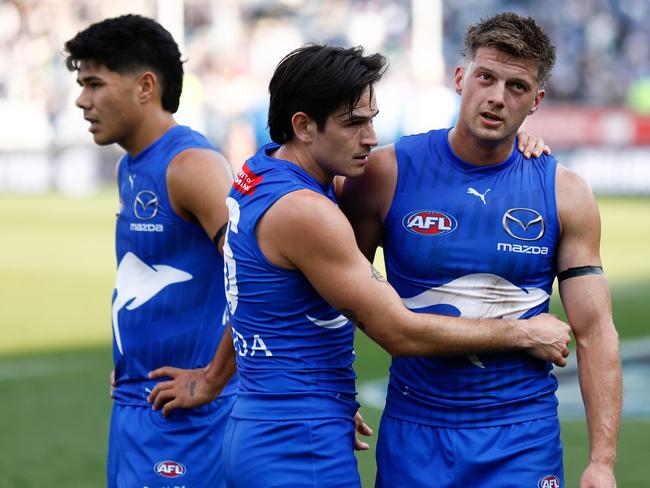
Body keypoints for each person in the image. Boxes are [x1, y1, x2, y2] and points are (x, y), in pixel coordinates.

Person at [147, 43, 572, 488]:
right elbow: (398, 331)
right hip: (298, 441)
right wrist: (523, 332)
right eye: (355, 123)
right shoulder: (306, 211)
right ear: (304, 126)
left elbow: (255, 302)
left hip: (274, 422)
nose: (370, 136)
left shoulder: (260, 171)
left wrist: (217, 380)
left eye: (371, 118)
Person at [341, 12, 622, 488]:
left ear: (536, 101)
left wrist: (602, 461)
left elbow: (595, 332)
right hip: (416, 434)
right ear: (460, 78)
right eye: (485, 77)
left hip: (521, 439)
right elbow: (335, 302)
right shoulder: (385, 174)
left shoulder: (563, 193)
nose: (496, 96)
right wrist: (334, 396)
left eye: (516, 87)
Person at [64, 14, 237, 487]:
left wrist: (215, 377)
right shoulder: (130, 166)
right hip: (137, 405)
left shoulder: (192, 166)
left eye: (95, 84)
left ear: (145, 86)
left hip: (188, 420)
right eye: (81, 85)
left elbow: (262, 275)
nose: (82, 100)